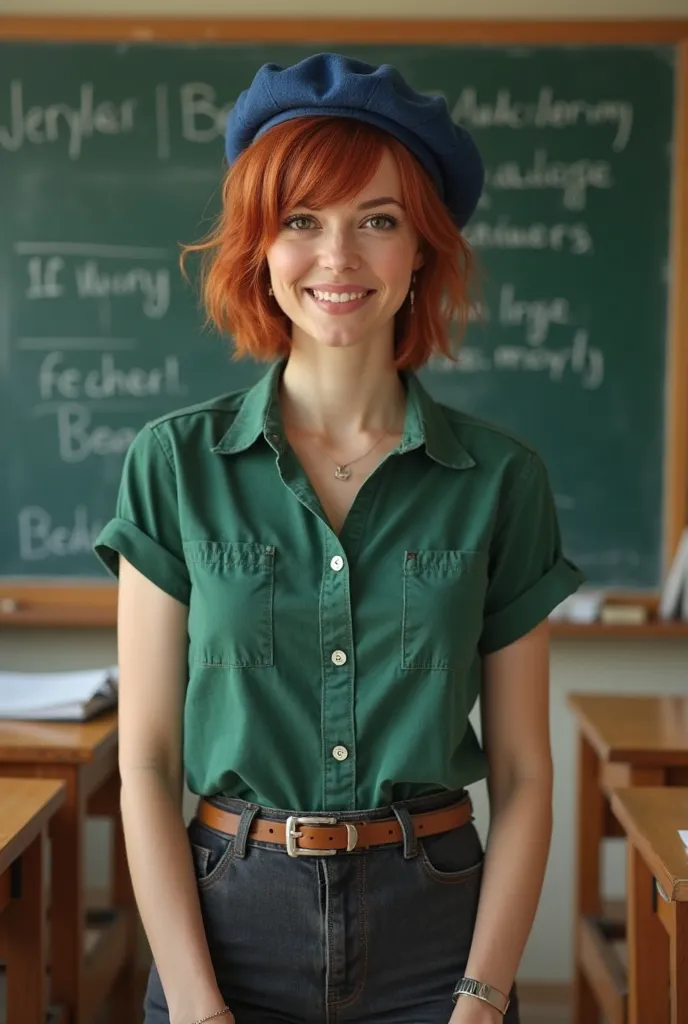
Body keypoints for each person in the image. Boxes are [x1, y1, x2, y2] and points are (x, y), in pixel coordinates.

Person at [94, 52, 583, 1024]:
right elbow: (145, 759)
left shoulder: (501, 481)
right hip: (225, 926)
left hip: (439, 936)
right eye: (301, 221)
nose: (337, 258)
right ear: (260, 248)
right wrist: (195, 1003)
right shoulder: (172, 465)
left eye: (378, 220)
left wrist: (481, 999)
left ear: (420, 253)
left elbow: (525, 774)